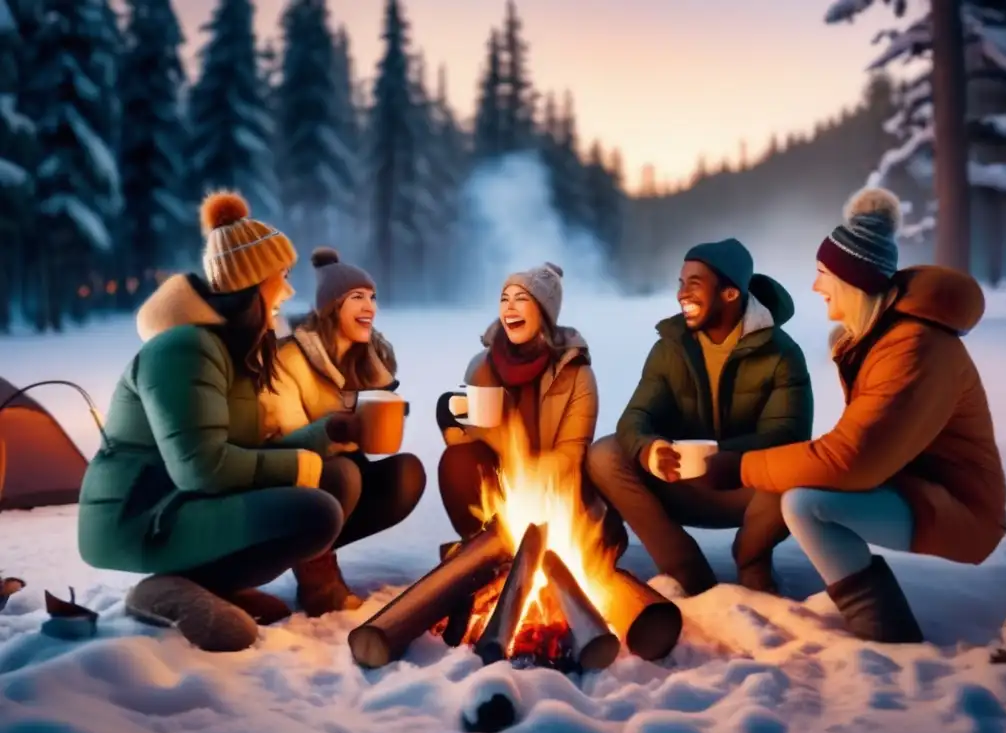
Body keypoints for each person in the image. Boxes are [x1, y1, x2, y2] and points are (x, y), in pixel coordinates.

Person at [704, 187, 1006, 643]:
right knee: (796, 485)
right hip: (911, 482)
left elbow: (850, 459)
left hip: (957, 507)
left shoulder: (913, 349)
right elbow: (858, 445)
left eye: (822, 273)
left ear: (853, 282)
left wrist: (739, 467)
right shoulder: (883, 339)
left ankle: (886, 633)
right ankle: (809, 587)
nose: (814, 285)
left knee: (806, 503)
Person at [78, 191, 355, 653]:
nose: (287, 292)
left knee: (338, 477)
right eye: (280, 278)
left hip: (188, 501)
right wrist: (297, 468)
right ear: (251, 285)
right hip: (146, 515)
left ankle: (218, 583)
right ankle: (172, 586)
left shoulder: (237, 351)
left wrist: (327, 434)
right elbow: (201, 467)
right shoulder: (184, 350)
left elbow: (243, 450)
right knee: (316, 510)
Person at [586, 238, 813, 596]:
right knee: (605, 454)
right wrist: (650, 450)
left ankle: (753, 562)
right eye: (680, 283)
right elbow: (634, 419)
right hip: (680, 480)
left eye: (694, 283)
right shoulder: (670, 348)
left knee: (800, 469)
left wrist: (724, 457)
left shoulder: (781, 354)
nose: (682, 294)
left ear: (729, 294)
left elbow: (788, 434)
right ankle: (684, 570)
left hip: (747, 488)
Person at [260, 247, 425, 617]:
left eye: (372, 297)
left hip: (339, 479)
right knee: (344, 474)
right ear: (333, 306)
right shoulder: (290, 358)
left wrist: (383, 420)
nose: (370, 306)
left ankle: (318, 544)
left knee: (407, 474)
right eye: (357, 298)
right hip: (289, 482)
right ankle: (318, 581)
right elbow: (280, 445)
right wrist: (333, 429)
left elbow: (366, 430)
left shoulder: (363, 361)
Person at [435, 263, 625, 550]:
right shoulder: (481, 366)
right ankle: (484, 549)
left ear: (544, 311)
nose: (509, 308)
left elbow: (571, 455)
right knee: (457, 460)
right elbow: (472, 438)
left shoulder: (576, 374)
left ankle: (547, 550)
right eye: (504, 299)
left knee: (603, 536)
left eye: (521, 299)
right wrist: (453, 421)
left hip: (557, 493)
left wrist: (523, 464)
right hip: (501, 490)